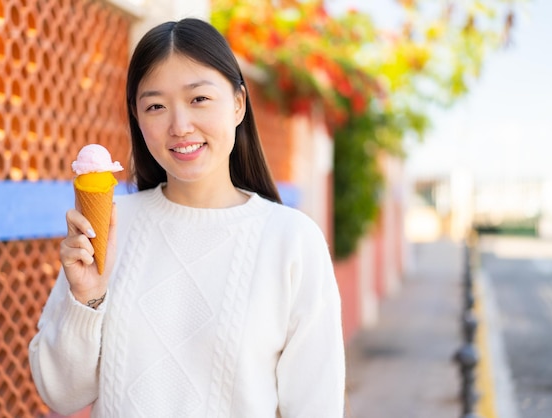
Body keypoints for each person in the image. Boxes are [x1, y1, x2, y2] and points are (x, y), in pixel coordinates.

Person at [29, 17, 345, 417]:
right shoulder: (108, 227)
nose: (179, 126)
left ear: (238, 104)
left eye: (199, 99)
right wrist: (86, 299)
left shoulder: (292, 240)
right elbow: (60, 394)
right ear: (137, 118)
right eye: (156, 106)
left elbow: (316, 405)